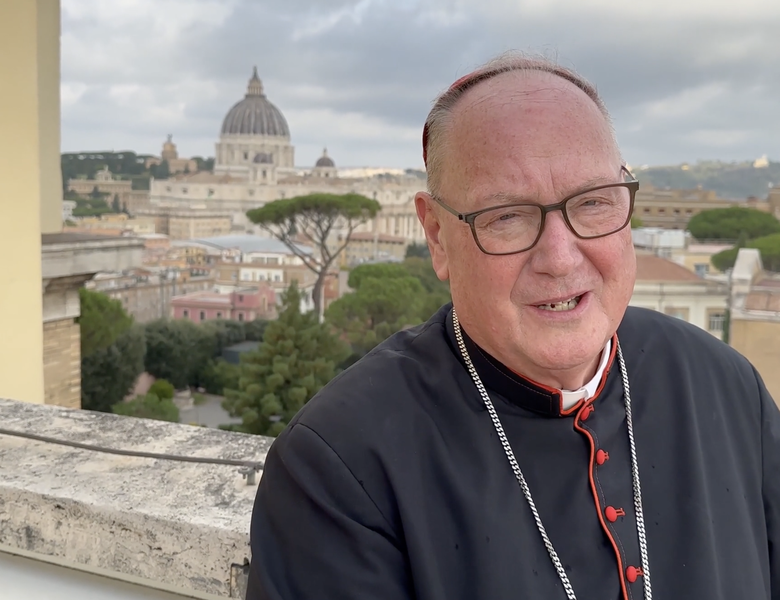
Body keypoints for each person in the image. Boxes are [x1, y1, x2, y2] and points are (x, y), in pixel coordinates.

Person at [245, 52, 780, 600]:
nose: (561, 257)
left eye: (593, 203)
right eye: (507, 216)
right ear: (436, 235)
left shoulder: (728, 385)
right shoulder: (339, 468)